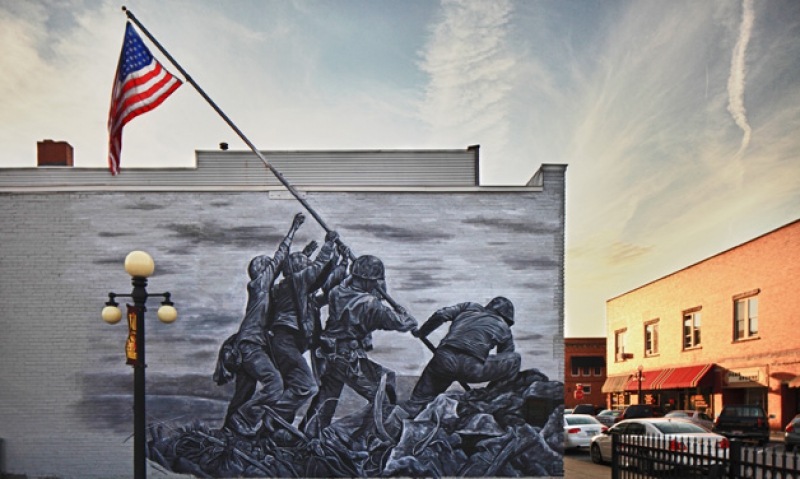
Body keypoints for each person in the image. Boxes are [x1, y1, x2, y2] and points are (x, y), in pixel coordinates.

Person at [300, 255, 417, 437]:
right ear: (370, 281)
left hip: (329, 354)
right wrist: (404, 314)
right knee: (384, 396)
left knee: (328, 397)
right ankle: (358, 438)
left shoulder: (337, 293)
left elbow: (348, 285)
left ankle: (309, 433)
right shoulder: (371, 304)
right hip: (349, 358)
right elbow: (404, 324)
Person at [214, 213, 304, 437]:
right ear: (263, 271)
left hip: (246, 346)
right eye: (269, 266)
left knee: (243, 392)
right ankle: (242, 419)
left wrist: (307, 254)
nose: (274, 268)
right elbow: (280, 257)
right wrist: (293, 230)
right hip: (251, 346)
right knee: (275, 385)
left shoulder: (261, 290)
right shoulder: (260, 285)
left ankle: (227, 433)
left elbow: (286, 269)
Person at [265, 229, 342, 424]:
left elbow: (321, 280)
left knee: (292, 387)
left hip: (286, 342)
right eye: (304, 266)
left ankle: (275, 430)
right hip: (286, 341)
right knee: (307, 387)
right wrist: (329, 245)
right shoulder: (294, 281)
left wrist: (339, 262)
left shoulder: (293, 289)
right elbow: (316, 270)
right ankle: (270, 416)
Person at [404, 296, 521, 415]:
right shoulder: (504, 327)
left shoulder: (468, 307)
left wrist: (421, 333)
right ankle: (491, 397)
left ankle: (412, 411)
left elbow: (441, 314)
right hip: (471, 368)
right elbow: (506, 355)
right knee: (515, 359)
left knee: (418, 402)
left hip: (443, 360)